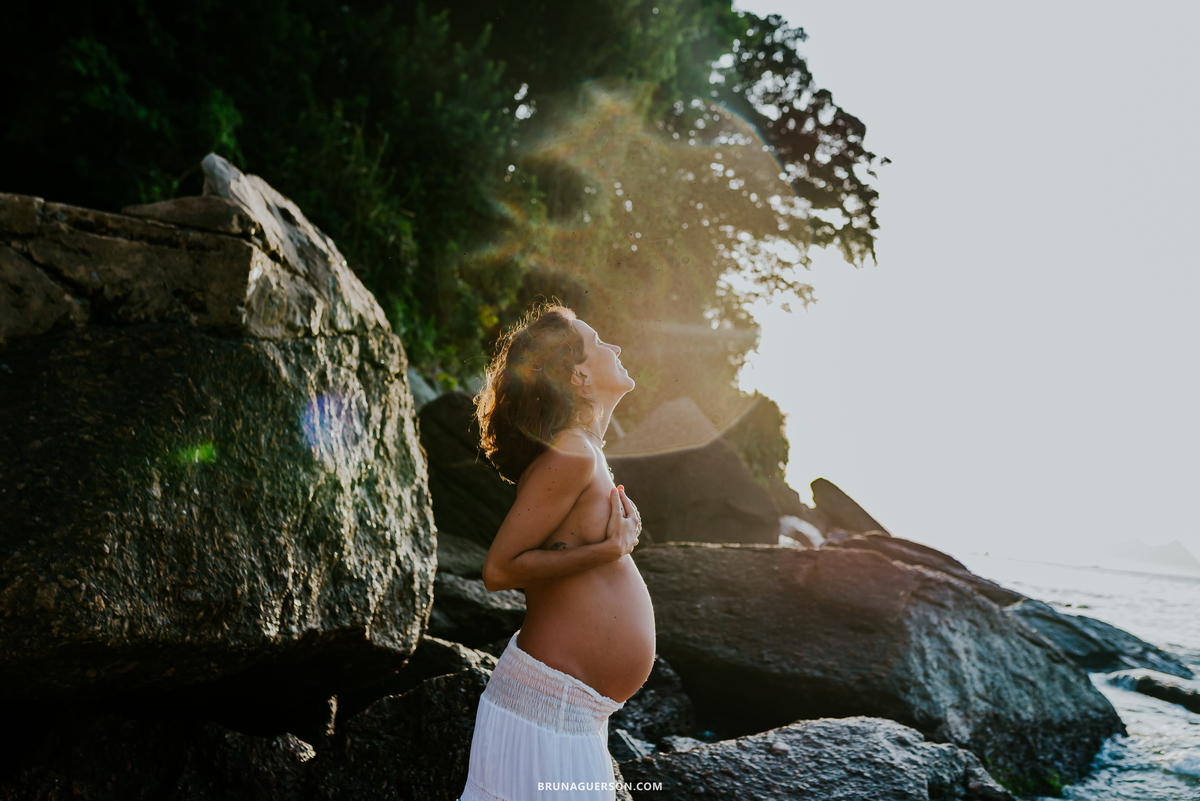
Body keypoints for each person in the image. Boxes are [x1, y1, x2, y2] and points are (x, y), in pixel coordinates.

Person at [458, 303, 655, 801]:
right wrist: (608, 550)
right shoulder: (573, 451)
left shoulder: (586, 450)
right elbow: (499, 569)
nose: (616, 347)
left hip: (572, 715)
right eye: (600, 341)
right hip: (544, 710)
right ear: (581, 375)